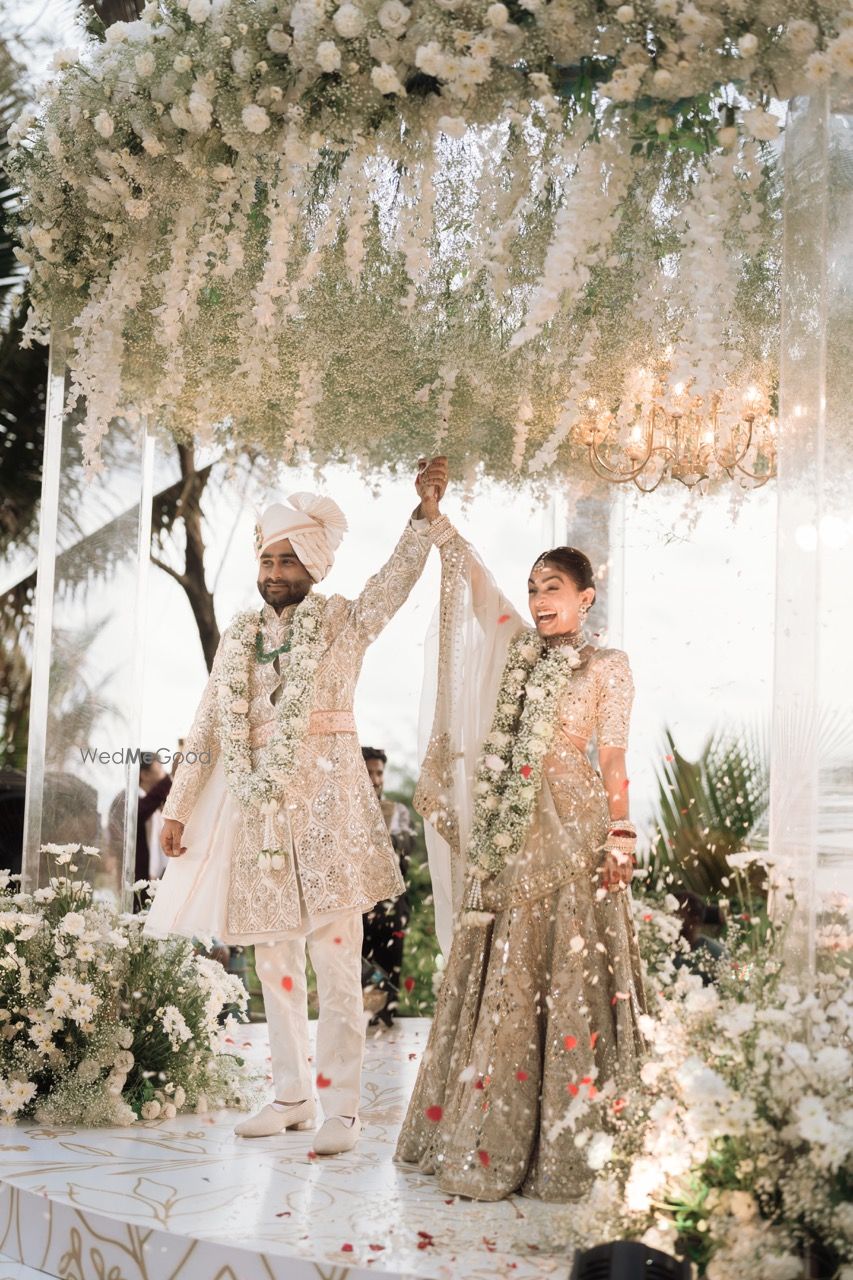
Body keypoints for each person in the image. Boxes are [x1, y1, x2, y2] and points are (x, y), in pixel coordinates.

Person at [144, 458, 450, 1156]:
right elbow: (207, 724)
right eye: (267, 558)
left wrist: (423, 519)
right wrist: (180, 806)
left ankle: (341, 1109)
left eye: (288, 559)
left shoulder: (341, 622)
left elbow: (391, 587)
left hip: (330, 818)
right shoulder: (238, 638)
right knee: (274, 966)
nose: (275, 570)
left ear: (313, 564)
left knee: (337, 964)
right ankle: (290, 1097)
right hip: (257, 823)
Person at [395, 520, 647, 1201]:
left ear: (585, 598)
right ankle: (490, 1124)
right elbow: (478, 593)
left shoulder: (607, 665)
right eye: (534, 587)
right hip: (510, 834)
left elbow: (613, 752)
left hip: (573, 828)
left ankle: (571, 1139)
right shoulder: (516, 656)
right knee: (505, 967)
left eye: (554, 588)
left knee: (568, 967)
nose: (539, 600)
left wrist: (620, 830)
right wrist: (439, 525)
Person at [361, 746, 415, 1023]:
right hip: (357, 911)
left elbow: (404, 850)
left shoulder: (397, 811)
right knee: (356, 980)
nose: (375, 778)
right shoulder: (346, 813)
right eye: (369, 772)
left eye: (379, 772)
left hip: (391, 911)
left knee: (388, 982)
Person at [109, 753, 172, 892]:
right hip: (134, 880)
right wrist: (171, 779)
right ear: (145, 775)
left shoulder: (154, 802)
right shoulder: (126, 799)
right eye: (160, 768)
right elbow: (138, 815)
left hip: (155, 878)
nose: (164, 773)